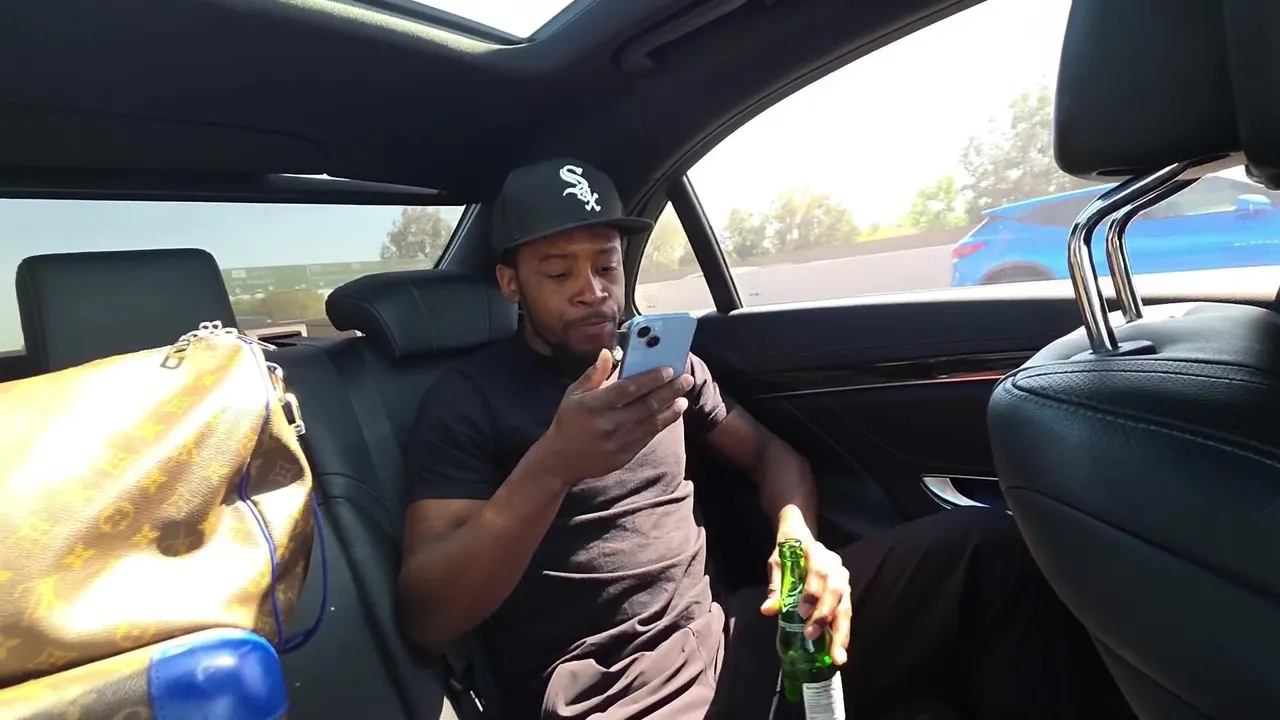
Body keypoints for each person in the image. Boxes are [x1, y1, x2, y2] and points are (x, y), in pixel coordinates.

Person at [397, 158, 1134, 720]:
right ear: (510, 283)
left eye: (607, 265)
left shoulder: (663, 365)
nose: (592, 290)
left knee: (987, 550)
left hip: (733, 638)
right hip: (618, 696)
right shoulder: (469, 401)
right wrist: (553, 464)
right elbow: (431, 614)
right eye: (559, 272)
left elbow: (774, 457)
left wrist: (799, 547)